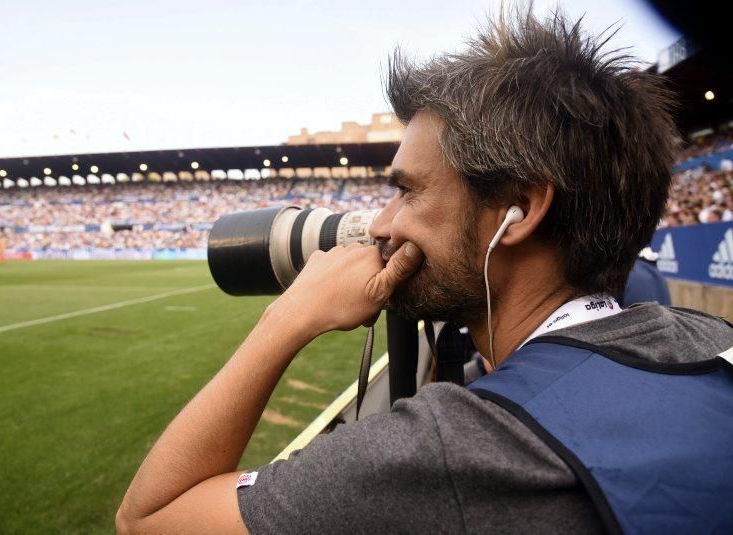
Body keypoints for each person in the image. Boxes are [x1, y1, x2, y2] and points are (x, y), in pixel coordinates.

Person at [116, 9, 733, 534]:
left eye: (406, 193)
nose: (379, 226)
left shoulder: (456, 450)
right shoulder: (705, 343)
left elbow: (149, 518)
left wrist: (288, 316)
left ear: (518, 210)